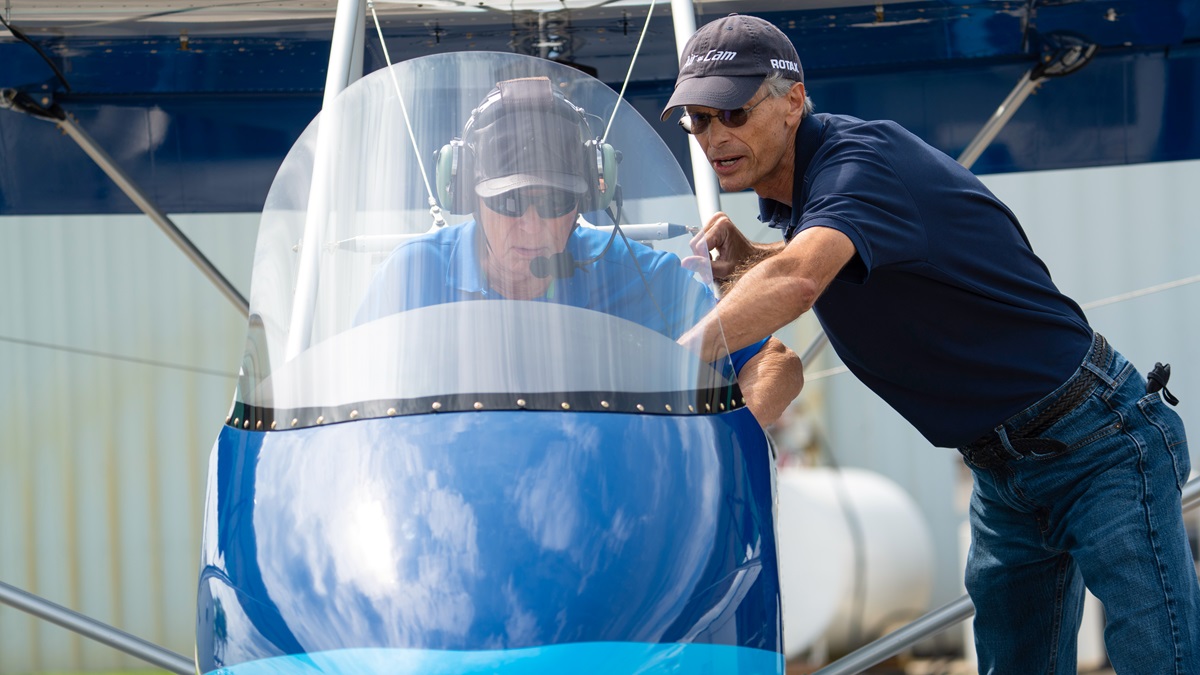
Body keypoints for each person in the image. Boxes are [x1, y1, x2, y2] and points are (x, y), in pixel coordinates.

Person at [664, 13, 1199, 674]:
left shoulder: (859, 163)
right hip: (1003, 472)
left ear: (794, 100)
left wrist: (669, 359)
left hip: (1097, 443)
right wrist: (752, 260)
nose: (715, 136)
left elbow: (802, 276)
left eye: (733, 113)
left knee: (1163, 659)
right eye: (697, 118)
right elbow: (827, 256)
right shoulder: (818, 196)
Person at [358, 75, 802, 427]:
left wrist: (728, 443)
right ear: (466, 195)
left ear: (588, 197)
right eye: (508, 203)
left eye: (553, 203)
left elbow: (775, 363)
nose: (531, 226)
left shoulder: (642, 277)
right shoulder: (410, 276)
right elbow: (350, 397)